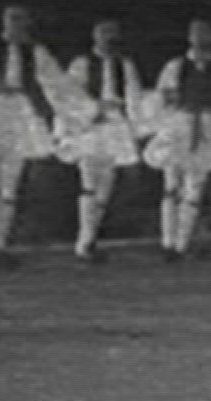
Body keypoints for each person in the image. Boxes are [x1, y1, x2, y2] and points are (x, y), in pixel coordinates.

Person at [0, 6, 77, 271]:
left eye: (21, 20)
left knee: (11, 183)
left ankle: (1, 245)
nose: (16, 24)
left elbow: (58, 83)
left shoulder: (35, 52)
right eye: (11, 19)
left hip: (20, 115)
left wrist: (75, 113)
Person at [55, 20, 148, 264]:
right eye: (104, 33)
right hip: (90, 125)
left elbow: (134, 96)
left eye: (113, 34)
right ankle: (83, 242)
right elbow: (70, 96)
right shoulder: (82, 63)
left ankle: (90, 239)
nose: (109, 38)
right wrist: (90, 112)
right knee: (89, 181)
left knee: (105, 185)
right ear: (95, 36)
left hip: (114, 126)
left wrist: (136, 129)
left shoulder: (125, 65)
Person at [144, 20, 211, 261]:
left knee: (195, 186)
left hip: (206, 124)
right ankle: (167, 242)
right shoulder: (176, 65)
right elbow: (162, 95)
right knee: (171, 184)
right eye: (196, 35)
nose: (200, 40)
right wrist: (167, 106)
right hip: (180, 122)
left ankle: (181, 244)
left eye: (205, 35)